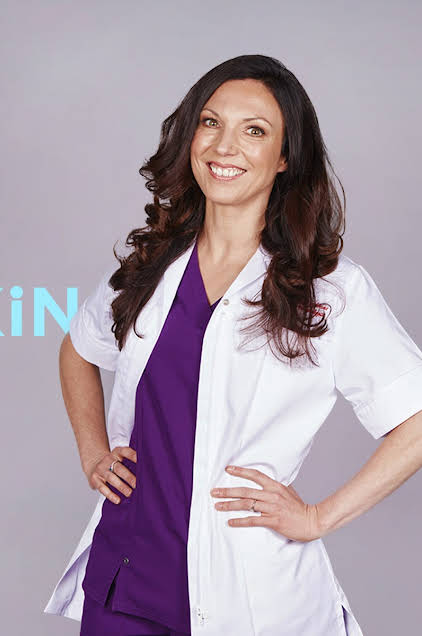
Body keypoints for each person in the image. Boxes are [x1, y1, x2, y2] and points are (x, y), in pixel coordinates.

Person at [44, 54, 422, 636]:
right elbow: (78, 349)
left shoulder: (330, 292)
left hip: (248, 598)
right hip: (123, 579)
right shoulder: (152, 265)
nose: (225, 146)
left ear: (285, 157)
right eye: (210, 122)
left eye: (255, 131)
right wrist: (95, 452)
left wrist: (318, 518)